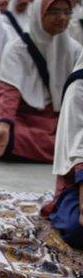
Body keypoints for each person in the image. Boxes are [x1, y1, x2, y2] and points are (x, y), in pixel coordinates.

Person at [0, 0, 81, 163]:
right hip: (27, 118)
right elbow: (9, 92)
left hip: (61, 120)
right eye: (54, 12)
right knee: (3, 138)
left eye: (66, 12)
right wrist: (4, 123)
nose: (62, 17)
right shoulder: (17, 49)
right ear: (39, 13)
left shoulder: (75, 49)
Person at [43, 52, 83, 249]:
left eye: (68, 16)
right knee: (78, 229)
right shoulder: (79, 87)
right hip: (78, 184)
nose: (62, 18)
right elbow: (80, 149)